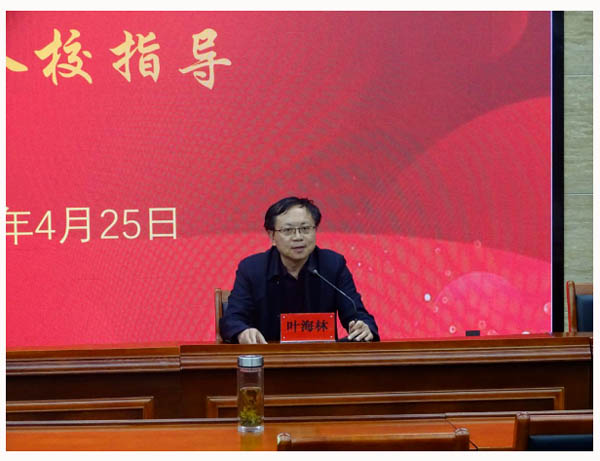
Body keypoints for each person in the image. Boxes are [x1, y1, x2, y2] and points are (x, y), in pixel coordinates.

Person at [219, 197, 379, 344]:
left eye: (305, 228)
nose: (298, 237)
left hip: (322, 361)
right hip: (268, 361)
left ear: (315, 230)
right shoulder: (252, 269)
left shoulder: (333, 265)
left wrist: (364, 328)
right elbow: (232, 319)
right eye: (288, 230)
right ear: (272, 236)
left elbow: (357, 314)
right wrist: (243, 332)